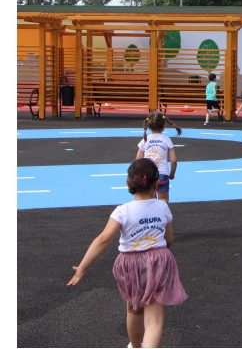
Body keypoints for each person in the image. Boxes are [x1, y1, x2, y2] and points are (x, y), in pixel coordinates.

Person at [67, 159, 187, 348]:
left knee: (134, 309)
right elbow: (169, 239)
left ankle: (135, 345)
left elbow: (103, 239)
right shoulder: (163, 207)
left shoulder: (122, 211)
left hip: (130, 264)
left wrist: (82, 268)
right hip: (159, 260)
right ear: (157, 183)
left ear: (128, 183)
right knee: (154, 321)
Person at [136, 111, 180, 204]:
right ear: (164, 125)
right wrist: (172, 173)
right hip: (163, 174)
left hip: (148, 174)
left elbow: (138, 160)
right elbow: (173, 160)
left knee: (151, 202)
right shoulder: (166, 139)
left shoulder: (145, 139)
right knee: (163, 202)